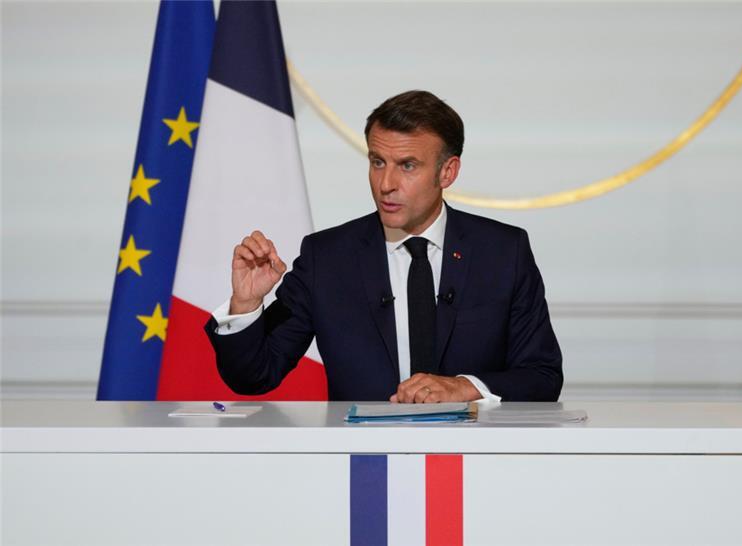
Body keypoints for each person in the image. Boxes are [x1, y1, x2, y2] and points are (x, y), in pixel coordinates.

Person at [205, 90, 562, 402]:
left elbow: (542, 377)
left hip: (470, 464)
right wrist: (247, 304)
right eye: (378, 162)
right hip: (363, 467)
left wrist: (464, 387)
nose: (385, 183)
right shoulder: (327, 258)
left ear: (447, 173)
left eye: (407, 165)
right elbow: (253, 378)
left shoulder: (502, 252)